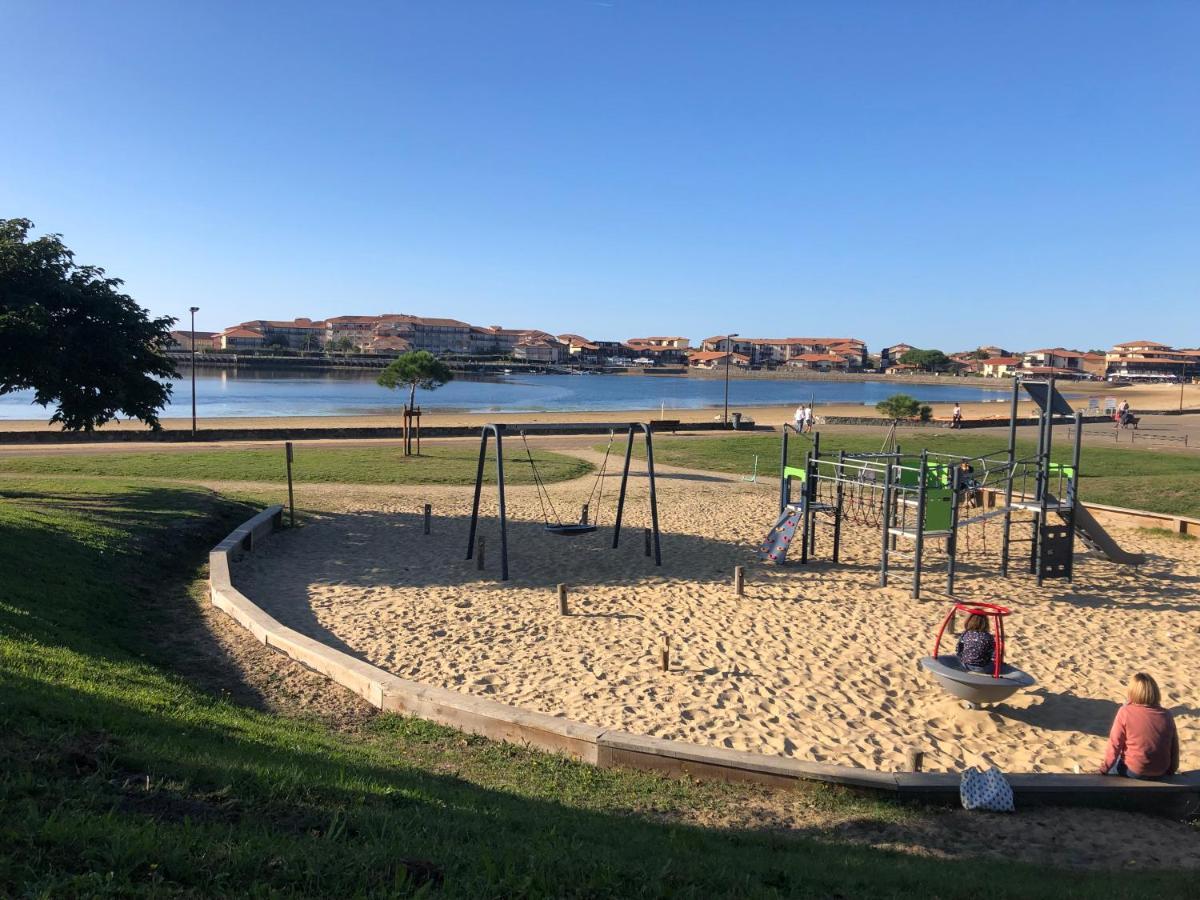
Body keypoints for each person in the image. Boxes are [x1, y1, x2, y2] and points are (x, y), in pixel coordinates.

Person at [1099, 673, 1180, 778]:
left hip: (1134, 771)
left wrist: (1104, 769)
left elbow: (1115, 744)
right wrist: (1171, 770)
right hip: (1160, 771)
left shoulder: (1125, 712)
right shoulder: (1167, 715)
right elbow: (1174, 747)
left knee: (1115, 764)